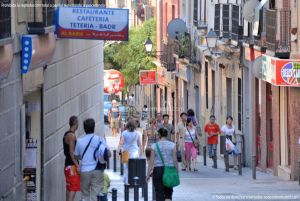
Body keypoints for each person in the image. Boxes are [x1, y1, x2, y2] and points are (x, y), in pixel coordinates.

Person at [74, 118, 107, 201]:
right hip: (97, 170)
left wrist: (84, 157)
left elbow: (76, 156)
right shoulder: (100, 139)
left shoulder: (79, 141)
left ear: (84, 128)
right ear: (94, 127)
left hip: (85, 170)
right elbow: (107, 153)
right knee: (95, 195)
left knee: (85, 194)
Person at [146, 128, 179, 201]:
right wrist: (177, 170)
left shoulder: (154, 146)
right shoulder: (172, 145)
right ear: (167, 135)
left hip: (158, 170)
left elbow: (151, 162)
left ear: (159, 135)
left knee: (159, 193)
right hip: (169, 170)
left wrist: (148, 174)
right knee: (168, 193)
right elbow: (175, 160)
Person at [118, 119, 143, 184]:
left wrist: (118, 152)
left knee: (126, 168)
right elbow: (140, 145)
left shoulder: (124, 133)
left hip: (126, 153)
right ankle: (133, 181)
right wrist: (141, 154)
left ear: (128, 125)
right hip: (135, 153)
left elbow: (121, 143)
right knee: (134, 168)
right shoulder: (138, 133)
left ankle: (126, 182)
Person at [63, 116, 80, 201]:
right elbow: (71, 152)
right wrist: (77, 165)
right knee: (73, 187)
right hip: (71, 166)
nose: (78, 125)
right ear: (75, 123)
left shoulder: (67, 134)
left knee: (69, 187)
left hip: (68, 165)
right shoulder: (71, 136)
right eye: (78, 123)